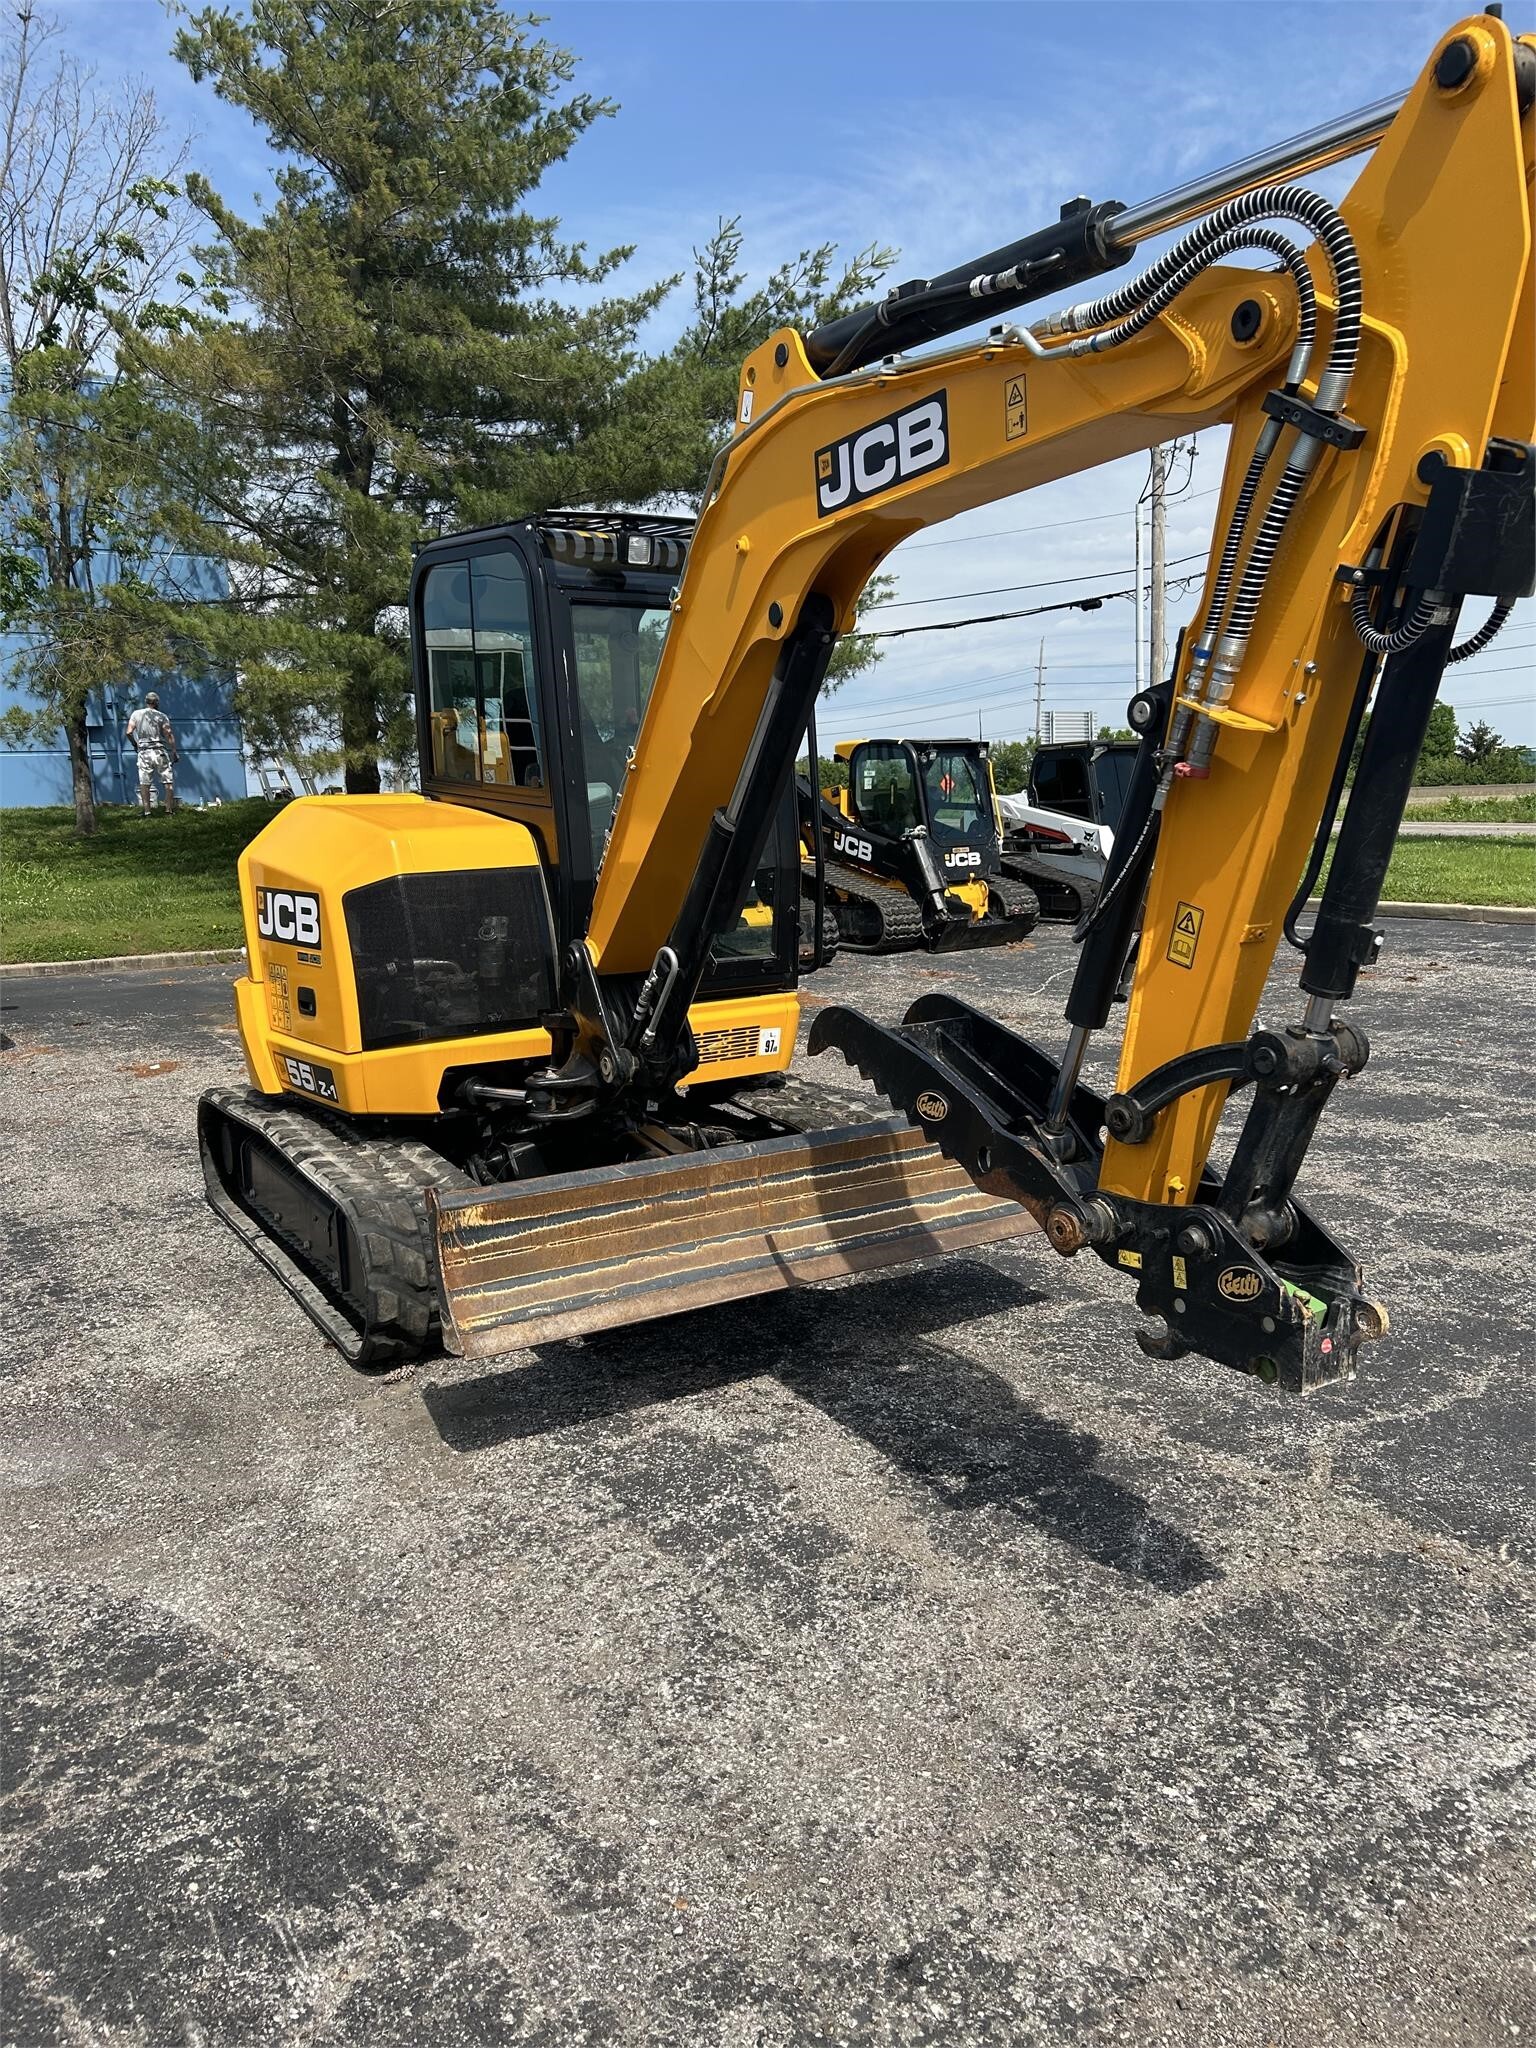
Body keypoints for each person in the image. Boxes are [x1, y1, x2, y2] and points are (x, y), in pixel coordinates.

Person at [126, 692, 179, 815]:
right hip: (159, 751)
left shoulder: (136, 714)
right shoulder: (162, 716)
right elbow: (168, 734)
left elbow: (128, 732)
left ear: (146, 701)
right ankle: (168, 810)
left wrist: (135, 744)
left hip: (144, 753)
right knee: (168, 781)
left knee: (145, 783)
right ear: (156, 703)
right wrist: (174, 751)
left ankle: (147, 812)